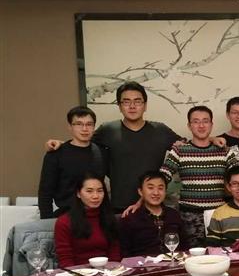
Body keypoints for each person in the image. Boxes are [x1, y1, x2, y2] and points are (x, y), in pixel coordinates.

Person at [46, 82, 184, 212]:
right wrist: (61, 144)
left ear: (145, 105)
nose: (132, 106)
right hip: (118, 206)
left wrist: (196, 142)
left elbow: (186, 148)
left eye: (137, 101)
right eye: (126, 102)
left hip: (153, 205)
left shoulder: (160, 130)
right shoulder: (108, 130)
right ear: (119, 106)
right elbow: (81, 143)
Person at [160, 106, 239, 248]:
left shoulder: (224, 151)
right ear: (189, 126)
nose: (201, 125)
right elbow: (161, 178)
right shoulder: (179, 150)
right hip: (189, 216)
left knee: (222, 255)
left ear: (211, 125)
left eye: (205, 121)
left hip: (219, 214)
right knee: (193, 256)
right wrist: (140, 201)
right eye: (196, 121)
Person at [38, 106, 106, 219]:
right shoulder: (56, 154)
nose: (84, 129)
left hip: (95, 216)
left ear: (94, 127)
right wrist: (46, 221)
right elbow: (45, 192)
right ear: (70, 126)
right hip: (66, 216)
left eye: (89, 124)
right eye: (79, 124)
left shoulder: (100, 152)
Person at [54, 173, 120, 267]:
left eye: (100, 191)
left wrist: (113, 270)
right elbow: (65, 259)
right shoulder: (64, 222)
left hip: (107, 271)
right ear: (78, 193)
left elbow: (114, 252)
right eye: (89, 191)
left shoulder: (109, 217)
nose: (95, 196)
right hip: (78, 272)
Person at [119, 171, 187, 257]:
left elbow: (184, 247)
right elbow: (124, 253)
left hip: (173, 262)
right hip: (142, 264)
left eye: (160, 188)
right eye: (150, 188)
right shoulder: (130, 218)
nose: (156, 193)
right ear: (140, 191)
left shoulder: (173, 215)